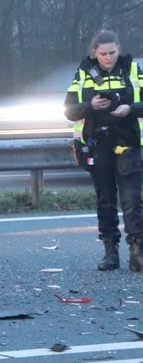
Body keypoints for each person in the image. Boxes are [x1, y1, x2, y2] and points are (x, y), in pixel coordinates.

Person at [64, 30, 143, 271]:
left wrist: (130, 109)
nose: (108, 57)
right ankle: (110, 252)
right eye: (103, 54)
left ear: (119, 50)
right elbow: (69, 110)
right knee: (105, 200)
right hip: (98, 145)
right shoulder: (84, 74)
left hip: (128, 142)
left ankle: (137, 252)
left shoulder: (132, 70)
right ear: (94, 53)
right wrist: (91, 105)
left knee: (132, 200)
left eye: (112, 52)